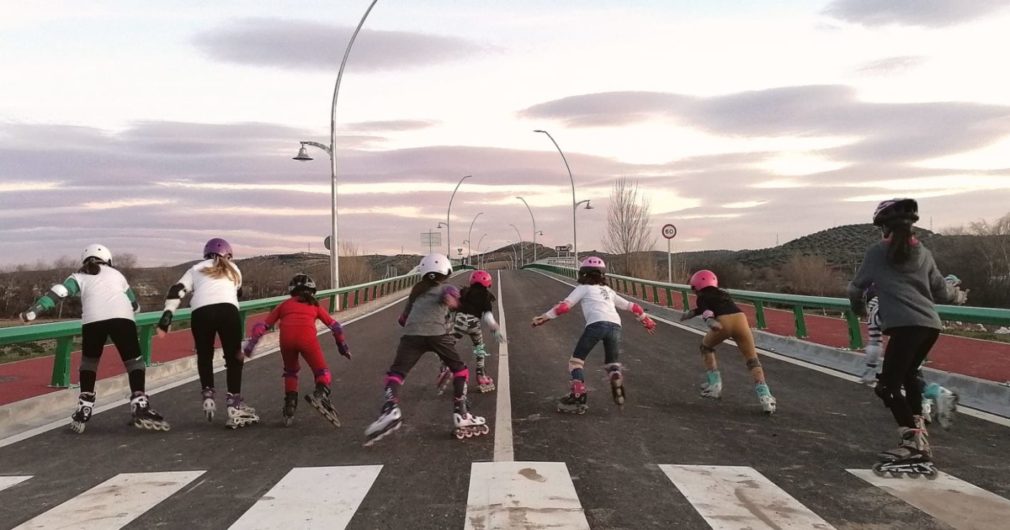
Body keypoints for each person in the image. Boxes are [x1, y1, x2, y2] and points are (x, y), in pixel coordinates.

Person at [848, 198, 968, 477]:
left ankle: (912, 443)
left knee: (886, 387)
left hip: (905, 327)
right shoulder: (923, 252)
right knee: (910, 377)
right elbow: (941, 291)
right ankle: (920, 438)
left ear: (883, 228)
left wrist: (860, 310)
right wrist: (960, 296)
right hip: (930, 327)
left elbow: (856, 288)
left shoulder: (877, 252)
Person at [20, 244, 169, 433]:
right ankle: (140, 403)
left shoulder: (78, 277)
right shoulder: (117, 275)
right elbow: (134, 304)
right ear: (108, 260)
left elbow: (60, 292)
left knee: (89, 363)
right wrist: (135, 308)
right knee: (134, 363)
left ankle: (85, 406)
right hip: (122, 319)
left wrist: (36, 310)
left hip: (93, 321)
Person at [364, 254, 489, 445]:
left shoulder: (416, 293)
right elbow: (453, 300)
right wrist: (452, 303)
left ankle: (390, 410)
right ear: (446, 272)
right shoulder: (446, 287)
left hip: (411, 336)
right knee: (460, 369)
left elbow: (402, 320)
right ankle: (461, 413)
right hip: (437, 334)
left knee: (396, 374)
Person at [531, 256, 656, 414]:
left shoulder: (584, 288)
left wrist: (544, 317)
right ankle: (615, 374)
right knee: (612, 363)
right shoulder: (609, 291)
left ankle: (578, 395)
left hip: (596, 325)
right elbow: (633, 306)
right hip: (615, 326)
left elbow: (564, 307)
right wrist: (646, 320)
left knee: (576, 363)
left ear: (583, 273)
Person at [157, 238, 258, 429]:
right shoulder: (234, 269)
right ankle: (234, 403)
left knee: (205, 354)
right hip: (228, 311)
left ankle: (208, 394)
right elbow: (239, 293)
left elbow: (176, 290)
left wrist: (168, 314)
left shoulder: (195, 269)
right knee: (234, 357)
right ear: (228, 255)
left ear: (206, 254)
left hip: (201, 312)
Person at [243, 274, 351, 427]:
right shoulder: (315, 305)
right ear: (312, 291)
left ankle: (290, 406)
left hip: (286, 340)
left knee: (291, 371)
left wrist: (250, 346)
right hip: (307, 339)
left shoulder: (284, 305)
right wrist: (342, 347)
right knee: (322, 372)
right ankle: (320, 394)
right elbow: (336, 327)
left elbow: (262, 326)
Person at [860, 283, 960, 429]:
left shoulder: (874, 308)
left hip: (909, 330)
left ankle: (916, 427)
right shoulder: (898, 295)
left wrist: (870, 369)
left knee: (887, 386)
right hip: (931, 326)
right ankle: (923, 405)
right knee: (910, 370)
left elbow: (875, 343)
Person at [679, 269, 777, 414]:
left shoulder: (702, 297)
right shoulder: (723, 294)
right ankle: (765, 397)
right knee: (752, 359)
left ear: (697, 286)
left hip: (723, 323)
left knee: (705, 347)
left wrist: (710, 321)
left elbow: (707, 311)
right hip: (741, 320)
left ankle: (715, 385)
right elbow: (709, 307)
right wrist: (693, 313)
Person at [436, 270, 505, 394]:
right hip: (474, 324)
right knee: (479, 348)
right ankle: (481, 375)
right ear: (488, 283)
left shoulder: (464, 292)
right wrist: (495, 328)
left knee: (447, 345)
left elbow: (452, 307)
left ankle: (445, 367)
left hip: (460, 322)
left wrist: (447, 320)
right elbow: (488, 317)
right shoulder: (487, 296)